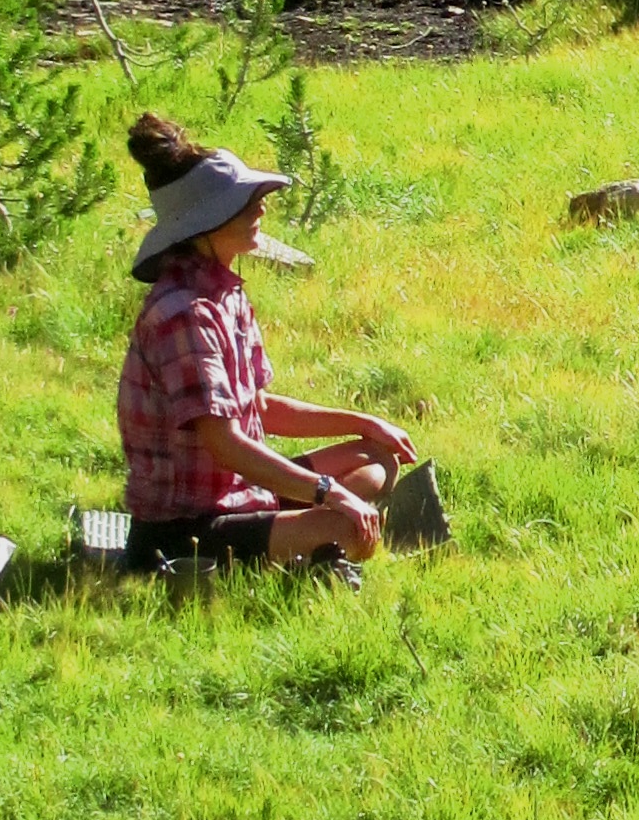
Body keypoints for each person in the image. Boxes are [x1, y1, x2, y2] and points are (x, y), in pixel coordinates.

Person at [115, 120, 420, 572]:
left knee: (377, 457)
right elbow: (227, 445)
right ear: (203, 224)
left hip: (243, 493)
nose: (260, 208)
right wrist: (329, 492)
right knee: (346, 528)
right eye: (244, 203)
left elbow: (259, 408)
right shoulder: (184, 313)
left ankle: (308, 538)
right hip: (188, 527)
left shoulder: (226, 293)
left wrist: (366, 422)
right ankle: (319, 543)